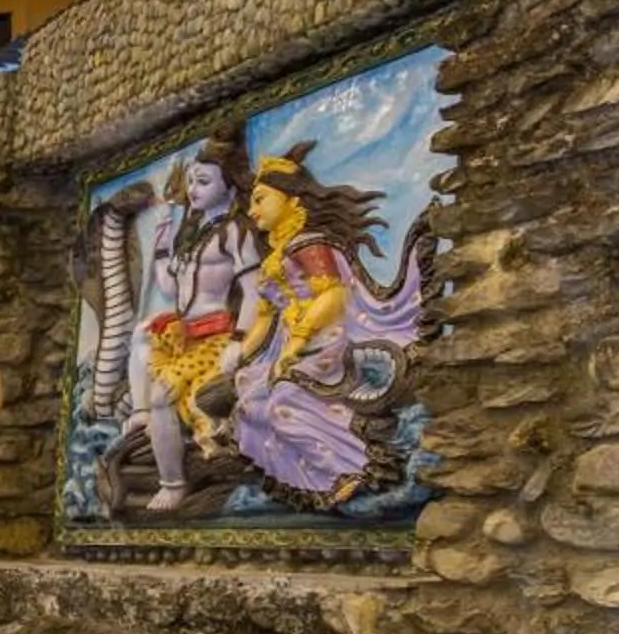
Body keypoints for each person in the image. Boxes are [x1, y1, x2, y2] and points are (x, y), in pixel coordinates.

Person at [229, 141, 428, 511]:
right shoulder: (274, 259)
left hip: (325, 340)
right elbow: (264, 317)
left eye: (260, 200)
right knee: (246, 392)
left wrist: (297, 343)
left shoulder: (310, 244)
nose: (251, 210)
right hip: (291, 343)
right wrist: (237, 358)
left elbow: (333, 297)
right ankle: (305, 479)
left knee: (282, 400)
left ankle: (353, 467)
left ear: (293, 202)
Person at [117, 132, 261, 512]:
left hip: (215, 335)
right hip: (183, 334)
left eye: (204, 181)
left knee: (164, 395)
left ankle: (173, 483)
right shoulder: (193, 238)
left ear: (228, 188)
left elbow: (254, 290)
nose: (193, 190)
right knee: (141, 335)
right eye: (192, 180)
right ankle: (139, 413)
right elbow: (169, 286)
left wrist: (240, 339)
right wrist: (162, 244)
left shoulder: (235, 233)